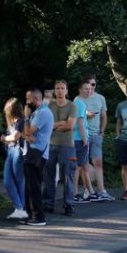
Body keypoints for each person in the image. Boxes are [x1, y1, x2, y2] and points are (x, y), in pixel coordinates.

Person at [43, 80, 77, 216]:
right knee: (48, 175)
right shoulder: (49, 105)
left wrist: (53, 125)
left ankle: (69, 204)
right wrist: (59, 124)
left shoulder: (72, 106)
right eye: (57, 88)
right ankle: (48, 203)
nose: (60, 91)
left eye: (63, 88)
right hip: (50, 144)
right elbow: (44, 123)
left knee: (68, 176)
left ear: (67, 90)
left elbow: (70, 126)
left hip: (67, 145)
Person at [21, 89, 53, 226]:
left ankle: (38, 217)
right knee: (29, 185)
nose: (27, 103)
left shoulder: (43, 113)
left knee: (33, 185)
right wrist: (27, 134)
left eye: (28, 100)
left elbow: (27, 130)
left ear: (35, 99)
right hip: (32, 152)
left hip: (37, 153)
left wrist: (27, 119)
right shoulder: (38, 112)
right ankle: (31, 215)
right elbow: (24, 132)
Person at [81, 74, 114, 202]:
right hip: (83, 135)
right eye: (89, 84)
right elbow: (74, 113)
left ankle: (102, 191)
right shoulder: (79, 99)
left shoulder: (100, 98)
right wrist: (85, 113)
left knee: (98, 163)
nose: (91, 87)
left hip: (96, 134)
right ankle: (88, 190)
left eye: (93, 84)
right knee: (83, 163)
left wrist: (102, 131)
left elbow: (104, 116)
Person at [2, 98, 27, 220]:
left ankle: (20, 208)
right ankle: (19, 207)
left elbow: (15, 136)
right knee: (7, 181)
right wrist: (7, 139)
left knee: (19, 181)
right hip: (10, 151)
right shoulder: (12, 123)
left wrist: (4, 138)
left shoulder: (21, 121)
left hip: (18, 151)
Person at [72, 81, 93, 204]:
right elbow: (80, 123)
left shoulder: (78, 102)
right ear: (80, 89)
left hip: (78, 138)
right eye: (86, 89)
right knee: (77, 167)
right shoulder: (79, 103)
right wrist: (85, 139)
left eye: (90, 89)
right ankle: (75, 194)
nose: (88, 91)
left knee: (82, 166)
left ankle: (88, 191)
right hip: (79, 139)